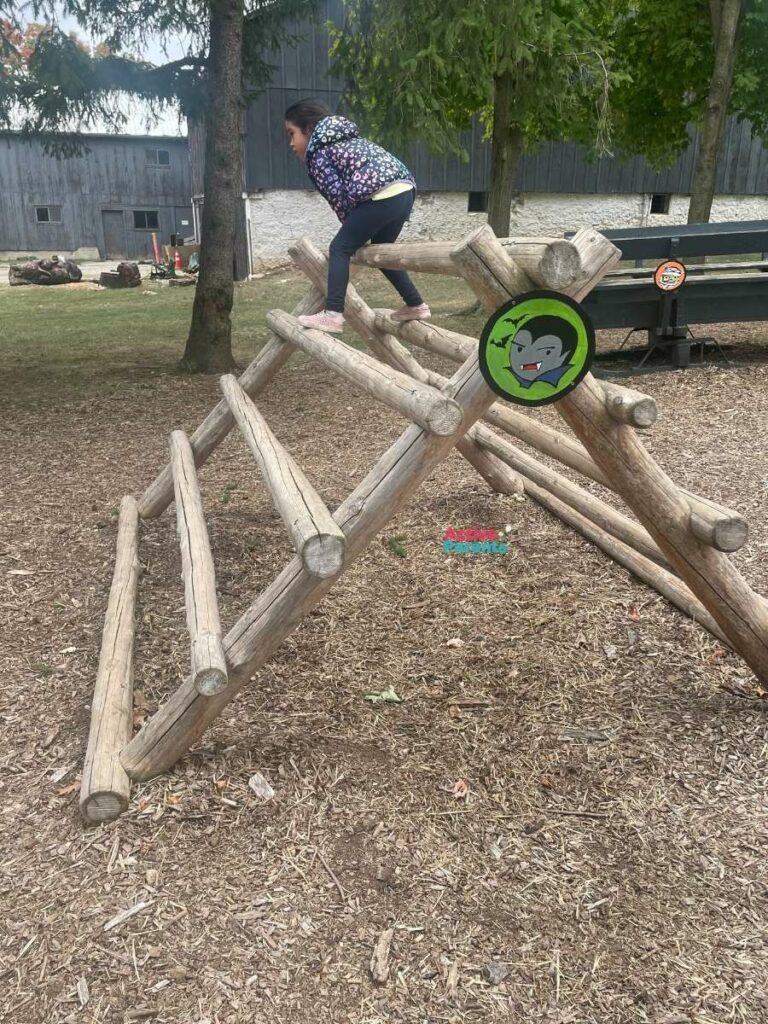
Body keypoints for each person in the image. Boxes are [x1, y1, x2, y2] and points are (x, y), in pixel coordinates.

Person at [284, 99, 430, 334]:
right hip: (405, 189)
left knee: (340, 248)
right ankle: (416, 303)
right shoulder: (349, 141)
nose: (291, 144)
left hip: (380, 194)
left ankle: (332, 315)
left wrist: (351, 228)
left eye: (292, 134)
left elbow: (337, 196)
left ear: (309, 129)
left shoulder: (319, 152)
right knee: (382, 250)